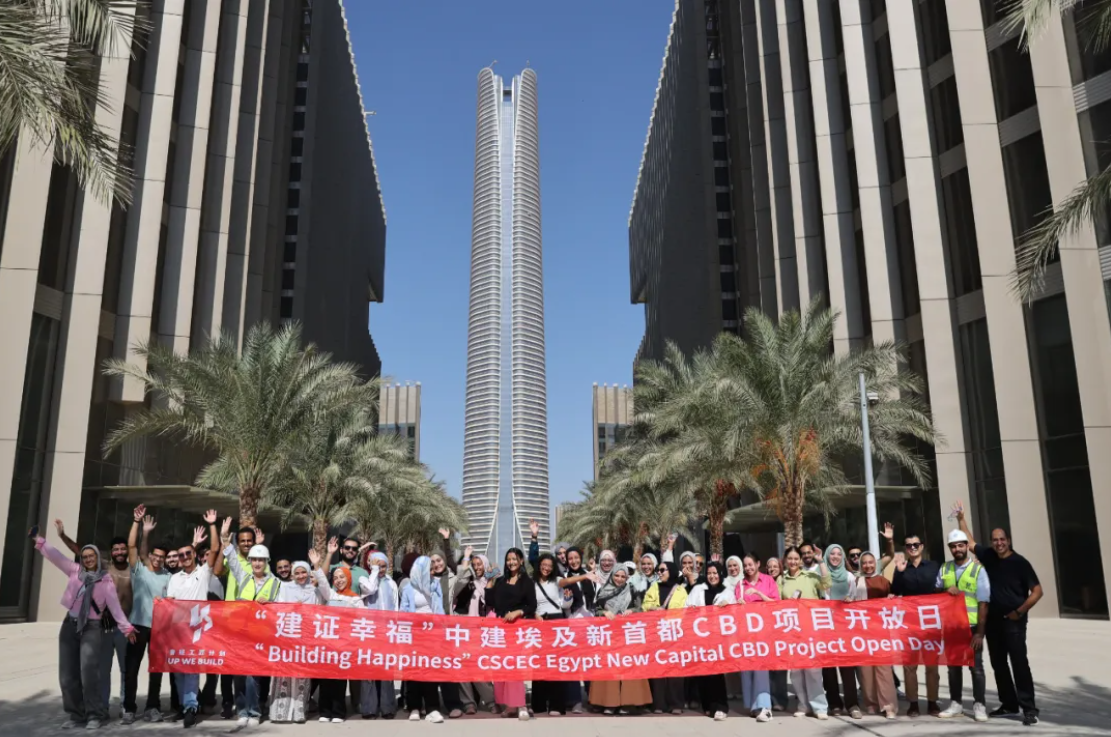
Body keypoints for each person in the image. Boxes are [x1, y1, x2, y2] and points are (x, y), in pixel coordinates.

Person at [33, 522, 137, 730]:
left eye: (92, 556)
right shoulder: (75, 571)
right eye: (85, 556)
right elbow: (56, 557)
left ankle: (95, 715)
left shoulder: (105, 580)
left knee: (89, 673)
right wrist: (39, 541)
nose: (88, 559)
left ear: (97, 558)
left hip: (91, 627)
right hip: (70, 625)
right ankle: (76, 715)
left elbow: (115, 607)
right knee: (67, 675)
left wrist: (127, 628)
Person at [956, 506, 1042, 725]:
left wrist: (1019, 611)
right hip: (992, 621)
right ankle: (1009, 705)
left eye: (1002, 539)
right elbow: (970, 542)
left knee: (1019, 663)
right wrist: (961, 518)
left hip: (1014, 622)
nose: (999, 543)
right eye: (995, 540)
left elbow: (1037, 591)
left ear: (1008, 541)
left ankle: (1029, 709)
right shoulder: (988, 556)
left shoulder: (1020, 563)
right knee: (998, 664)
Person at [164, 513, 226, 728]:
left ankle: (191, 707)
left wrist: (212, 525)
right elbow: (170, 603)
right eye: (181, 555)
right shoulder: (174, 578)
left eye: (188, 553)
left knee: (191, 669)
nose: (184, 557)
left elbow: (215, 548)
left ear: (194, 555)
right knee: (178, 671)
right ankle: (185, 705)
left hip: (196, 629)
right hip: (177, 629)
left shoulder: (203, 572)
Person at [221, 525, 280, 727]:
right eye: (254, 560)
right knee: (238, 674)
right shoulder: (244, 577)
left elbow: (282, 608)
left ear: (266, 562)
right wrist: (225, 538)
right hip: (239, 632)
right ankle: (242, 710)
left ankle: (254, 712)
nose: (257, 563)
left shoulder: (275, 583)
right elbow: (232, 559)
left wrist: (270, 603)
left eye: (261, 560)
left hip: (260, 635)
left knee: (253, 675)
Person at [122, 506, 171, 724]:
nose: (158, 559)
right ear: (150, 555)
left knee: (156, 670)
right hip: (138, 626)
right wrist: (137, 522)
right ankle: (129, 708)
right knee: (131, 670)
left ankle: (152, 707)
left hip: (159, 630)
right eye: (156, 556)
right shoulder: (139, 570)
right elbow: (131, 546)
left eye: (162, 557)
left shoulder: (168, 577)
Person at [936, 529, 990, 722]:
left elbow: (983, 603)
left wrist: (980, 633)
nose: (957, 549)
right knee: (953, 667)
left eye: (960, 545)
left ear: (967, 546)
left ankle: (979, 705)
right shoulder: (944, 569)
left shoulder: (978, 570)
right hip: (951, 626)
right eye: (953, 546)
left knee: (976, 667)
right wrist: (944, 591)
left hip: (972, 626)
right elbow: (935, 595)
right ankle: (956, 704)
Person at [309, 541, 366, 723]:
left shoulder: (356, 600)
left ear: (348, 578)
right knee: (325, 680)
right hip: (327, 645)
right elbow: (322, 582)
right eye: (336, 577)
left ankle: (338, 713)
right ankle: (325, 712)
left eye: (342, 577)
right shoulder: (331, 595)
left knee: (340, 681)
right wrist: (316, 565)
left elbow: (362, 622)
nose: (339, 580)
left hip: (344, 646)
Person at [400, 555, 458, 722]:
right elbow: (403, 611)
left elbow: (439, 610)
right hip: (414, 635)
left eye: (432, 570)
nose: (432, 572)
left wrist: (442, 629)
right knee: (414, 672)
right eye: (429, 569)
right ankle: (415, 707)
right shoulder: (409, 588)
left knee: (431, 671)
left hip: (432, 635)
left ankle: (432, 708)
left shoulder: (435, 585)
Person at [589, 565, 653, 715]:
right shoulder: (603, 591)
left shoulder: (632, 590)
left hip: (628, 634)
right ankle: (608, 703)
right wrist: (604, 613)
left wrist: (632, 611)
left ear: (627, 578)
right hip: (608, 634)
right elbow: (595, 609)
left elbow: (641, 608)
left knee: (628, 667)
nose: (619, 579)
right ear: (612, 575)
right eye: (616, 575)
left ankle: (628, 703)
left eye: (623, 576)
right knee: (609, 666)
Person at [892, 530, 942, 717]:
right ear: (905, 549)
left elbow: (941, 588)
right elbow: (895, 590)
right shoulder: (901, 568)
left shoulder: (934, 566)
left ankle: (932, 703)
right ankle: (913, 703)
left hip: (931, 622)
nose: (912, 548)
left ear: (921, 546)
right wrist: (899, 573)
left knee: (932, 665)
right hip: (910, 623)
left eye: (915, 545)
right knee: (910, 666)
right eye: (909, 545)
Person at [779, 546, 831, 719]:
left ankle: (819, 707)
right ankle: (803, 705)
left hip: (810, 629)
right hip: (791, 629)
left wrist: (821, 562)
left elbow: (827, 584)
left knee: (813, 670)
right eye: (790, 558)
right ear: (785, 560)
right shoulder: (782, 579)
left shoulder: (810, 576)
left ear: (800, 560)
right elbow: (775, 602)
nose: (793, 562)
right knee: (796, 672)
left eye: (796, 558)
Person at [485, 547, 536, 720]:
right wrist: (490, 580)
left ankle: (520, 704)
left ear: (521, 561)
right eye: (508, 559)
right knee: (502, 667)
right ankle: (509, 706)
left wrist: (518, 612)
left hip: (517, 629)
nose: (511, 562)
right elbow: (490, 601)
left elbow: (532, 605)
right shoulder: (500, 581)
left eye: (514, 559)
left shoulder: (526, 582)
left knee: (515, 668)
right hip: (500, 629)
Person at [269, 561, 320, 724]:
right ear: (292, 574)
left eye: (303, 572)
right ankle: (280, 712)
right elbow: (278, 608)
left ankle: (299, 711)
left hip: (306, 637)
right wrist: (293, 608)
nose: (300, 576)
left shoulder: (314, 590)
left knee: (302, 675)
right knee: (284, 675)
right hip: (287, 635)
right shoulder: (285, 588)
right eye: (297, 573)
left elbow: (318, 612)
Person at [685, 561, 733, 720]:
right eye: (709, 573)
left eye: (715, 573)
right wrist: (691, 610)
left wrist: (729, 607)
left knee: (717, 673)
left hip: (718, 639)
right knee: (703, 673)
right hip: (701, 638)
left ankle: (721, 706)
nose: (712, 576)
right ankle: (707, 706)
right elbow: (687, 607)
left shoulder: (727, 592)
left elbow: (735, 614)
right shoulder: (698, 589)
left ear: (720, 574)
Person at [734, 552, 778, 722]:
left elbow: (776, 603)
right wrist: (739, 604)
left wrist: (759, 594)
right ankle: (753, 706)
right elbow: (735, 607)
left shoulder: (768, 580)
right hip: (746, 632)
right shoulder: (740, 584)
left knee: (761, 669)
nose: (748, 568)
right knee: (747, 669)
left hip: (764, 631)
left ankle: (765, 707)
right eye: (745, 565)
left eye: (750, 564)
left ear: (758, 564)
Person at [854, 552, 898, 718]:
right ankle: (871, 703)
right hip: (862, 630)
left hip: (880, 630)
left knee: (883, 669)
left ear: (875, 564)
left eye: (871, 562)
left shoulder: (883, 581)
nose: (868, 566)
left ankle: (888, 706)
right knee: (866, 670)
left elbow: (894, 602)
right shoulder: (856, 582)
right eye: (864, 563)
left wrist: (892, 598)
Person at [820, 544, 861, 719]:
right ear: (827, 556)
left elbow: (855, 598)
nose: (835, 557)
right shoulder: (821, 575)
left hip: (844, 627)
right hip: (825, 626)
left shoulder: (849, 577)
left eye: (838, 554)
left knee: (847, 667)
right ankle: (834, 703)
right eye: (832, 554)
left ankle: (852, 704)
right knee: (828, 668)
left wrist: (850, 600)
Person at [220, 526, 256, 720]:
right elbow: (219, 569)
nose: (246, 543)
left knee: (249, 667)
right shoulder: (232, 559)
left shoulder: (261, 564)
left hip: (252, 623)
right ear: (238, 543)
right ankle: (229, 703)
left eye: (249, 540)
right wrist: (224, 541)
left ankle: (253, 705)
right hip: (231, 620)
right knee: (229, 666)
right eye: (243, 541)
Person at [452, 552, 495, 714]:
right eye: (474, 564)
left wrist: (489, 575)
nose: (477, 567)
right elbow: (457, 586)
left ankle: (491, 700)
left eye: (479, 564)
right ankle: (468, 703)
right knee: (463, 666)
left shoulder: (490, 582)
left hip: (481, 630)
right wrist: (465, 558)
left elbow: (491, 599)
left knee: (480, 666)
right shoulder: (467, 582)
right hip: (463, 628)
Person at [642, 561, 686, 713]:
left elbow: (684, 611)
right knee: (657, 668)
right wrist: (653, 608)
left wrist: (668, 616)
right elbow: (645, 605)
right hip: (656, 633)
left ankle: (676, 704)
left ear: (671, 571)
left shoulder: (681, 590)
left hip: (674, 633)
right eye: (658, 570)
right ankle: (658, 704)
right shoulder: (654, 587)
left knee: (675, 670)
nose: (659, 573)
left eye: (662, 570)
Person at [359, 550, 399, 719]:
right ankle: (369, 708)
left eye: (383, 566)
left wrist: (395, 630)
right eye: (377, 565)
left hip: (386, 632)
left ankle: (387, 707)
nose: (381, 569)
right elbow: (370, 589)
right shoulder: (365, 579)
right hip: (369, 631)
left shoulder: (391, 583)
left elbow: (395, 607)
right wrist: (374, 571)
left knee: (386, 669)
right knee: (369, 669)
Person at [531, 553, 571, 715]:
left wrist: (586, 576)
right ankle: (538, 704)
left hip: (556, 623)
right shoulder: (532, 583)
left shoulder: (556, 581)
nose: (546, 568)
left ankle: (556, 705)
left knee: (556, 664)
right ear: (539, 565)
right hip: (539, 623)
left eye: (550, 566)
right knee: (539, 663)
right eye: (544, 565)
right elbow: (529, 603)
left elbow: (569, 581)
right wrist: (534, 614)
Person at [560, 547, 597, 712]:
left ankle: (593, 697)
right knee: (573, 663)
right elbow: (563, 605)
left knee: (590, 663)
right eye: (570, 558)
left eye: (576, 557)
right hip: (572, 624)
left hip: (590, 625)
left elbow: (596, 598)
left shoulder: (590, 575)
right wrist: (567, 599)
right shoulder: (564, 578)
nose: (573, 561)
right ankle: (575, 700)